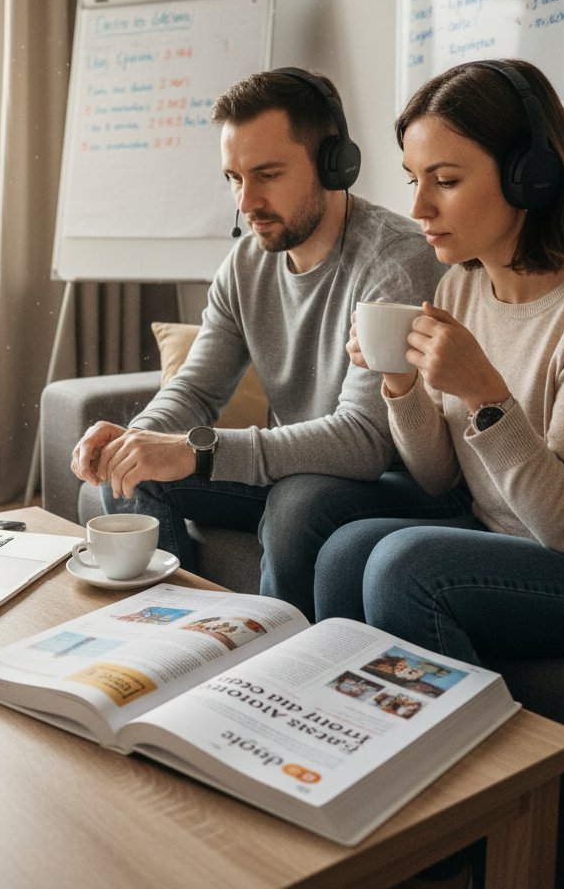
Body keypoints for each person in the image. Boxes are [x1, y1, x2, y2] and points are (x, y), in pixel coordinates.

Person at [314, 57, 564, 667]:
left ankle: (461, 756)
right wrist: (403, 383)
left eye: (446, 180)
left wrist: (485, 393)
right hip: (512, 540)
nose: (419, 209)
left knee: (406, 567)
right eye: (414, 179)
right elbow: (438, 479)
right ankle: (343, 740)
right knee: (345, 550)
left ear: (529, 177)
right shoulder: (461, 289)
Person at [71, 67, 452, 614]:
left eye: (267, 175)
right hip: (299, 465)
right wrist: (142, 438)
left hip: (393, 480)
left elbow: (366, 440)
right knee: (130, 473)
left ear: (334, 164)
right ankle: (176, 643)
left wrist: (194, 452)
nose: (246, 202)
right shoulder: (246, 262)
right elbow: (197, 390)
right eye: (233, 177)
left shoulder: (394, 261)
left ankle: (283, 670)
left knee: (297, 504)